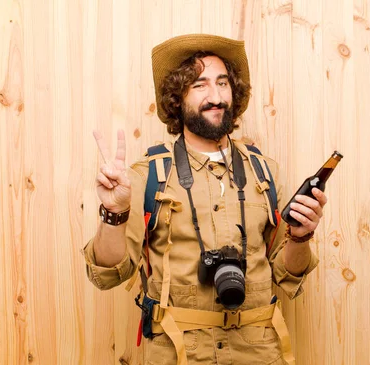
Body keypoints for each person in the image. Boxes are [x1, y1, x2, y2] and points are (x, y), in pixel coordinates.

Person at [83, 34, 326, 365]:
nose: (216, 97)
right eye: (199, 85)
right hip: (178, 354)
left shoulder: (265, 172)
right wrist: (114, 212)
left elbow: (287, 274)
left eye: (223, 83)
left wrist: (302, 236)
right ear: (176, 97)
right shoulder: (147, 175)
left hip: (259, 353)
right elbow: (110, 272)